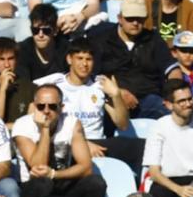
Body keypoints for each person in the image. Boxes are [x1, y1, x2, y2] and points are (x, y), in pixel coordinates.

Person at [33, 38, 142, 175]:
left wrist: (116, 95)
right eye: (79, 58)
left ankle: (144, 185)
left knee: (141, 147)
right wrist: (83, 144)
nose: (84, 64)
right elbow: (35, 102)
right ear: (69, 59)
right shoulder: (55, 83)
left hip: (98, 141)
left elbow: (123, 124)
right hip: (66, 141)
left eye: (89, 59)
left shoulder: (100, 85)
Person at [11, 84, 107, 197]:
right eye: (41, 106)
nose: (46, 111)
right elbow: (37, 164)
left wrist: (54, 174)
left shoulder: (72, 123)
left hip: (63, 184)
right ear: (34, 106)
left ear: (61, 107)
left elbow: (86, 167)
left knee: (95, 183)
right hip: (33, 185)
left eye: (52, 106)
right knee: (43, 183)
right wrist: (45, 129)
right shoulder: (22, 125)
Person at [90, 0, 175, 119]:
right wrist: (118, 93)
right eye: (130, 18)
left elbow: (172, 69)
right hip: (111, 99)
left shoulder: (154, 39)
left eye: (139, 19)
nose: (135, 23)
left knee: (173, 112)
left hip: (149, 99)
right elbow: (92, 75)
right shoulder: (101, 40)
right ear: (120, 18)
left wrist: (173, 95)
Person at [0, 36, 36, 125]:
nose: (7, 65)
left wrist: (8, 127)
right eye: (1, 59)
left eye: (11, 59)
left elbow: (31, 126)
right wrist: (2, 89)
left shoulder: (31, 88)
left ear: (17, 59)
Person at [16, 4, 69, 83]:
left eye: (46, 31)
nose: (40, 35)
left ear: (55, 31)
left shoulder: (66, 49)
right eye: (35, 30)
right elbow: (23, 87)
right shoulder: (22, 50)